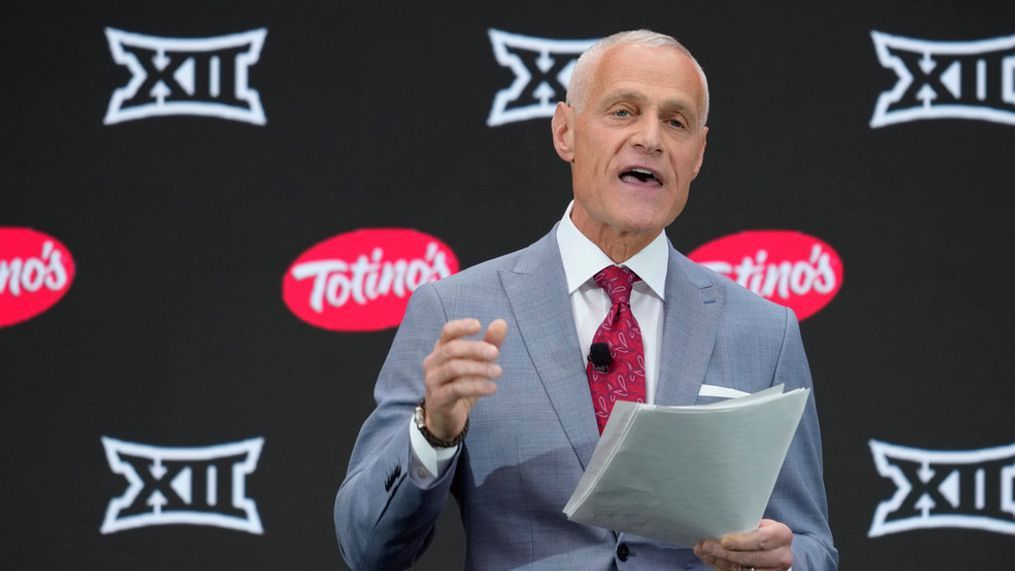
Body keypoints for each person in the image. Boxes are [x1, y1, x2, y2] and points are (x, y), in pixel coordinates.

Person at [335, 29, 837, 571]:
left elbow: (812, 544)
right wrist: (432, 431)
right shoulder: (456, 312)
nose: (651, 138)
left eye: (676, 121)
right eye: (623, 111)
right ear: (565, 132)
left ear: (698, 155)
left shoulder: (765, 331)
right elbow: (367, 548)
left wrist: (786, 562)